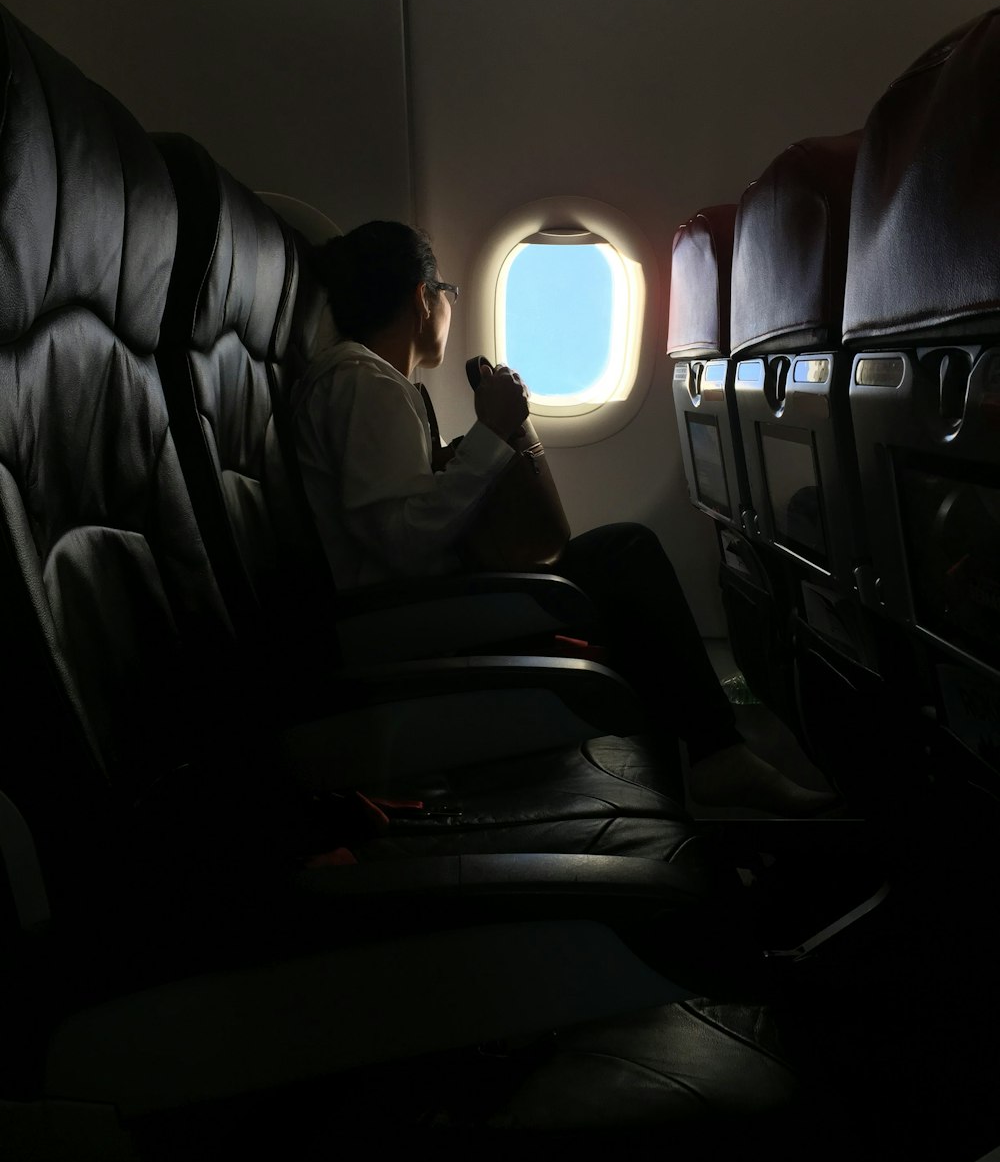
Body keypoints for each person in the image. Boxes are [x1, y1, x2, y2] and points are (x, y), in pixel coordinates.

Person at [291, 221, 837, 814]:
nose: (448, 303)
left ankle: (705, 765)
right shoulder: (363, 381)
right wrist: (491, 432)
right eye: (445, 290)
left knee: (621, 578)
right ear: (424, 299)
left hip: (430, 610)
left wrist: (467, 456)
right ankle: (717, 759)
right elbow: (401, 542)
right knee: (625, 556)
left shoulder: (374, 384)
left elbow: (400, 516)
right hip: (417, 626)